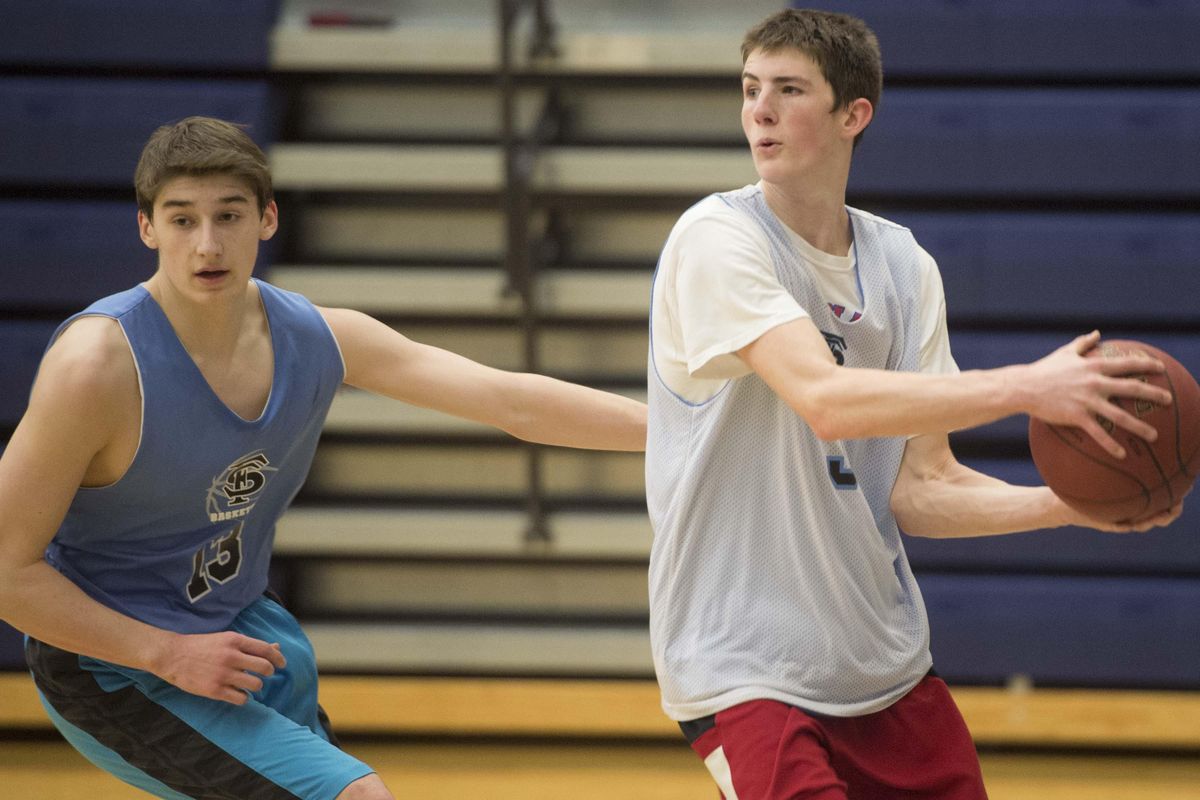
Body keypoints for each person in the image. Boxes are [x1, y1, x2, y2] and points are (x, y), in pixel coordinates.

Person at [0, 116, 646, 800]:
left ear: (268, 218)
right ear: (147, 229)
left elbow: (509, 400)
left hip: (241, 633)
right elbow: (7, 570)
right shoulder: (97, 366)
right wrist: (165, 653)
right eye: (182, 220)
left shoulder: (317, 336)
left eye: (229, 215)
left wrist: (675, 429)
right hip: (115, 663)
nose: (208, 244)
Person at [645, 8, 1182, 799]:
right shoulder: (717, 240)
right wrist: (1028, 387)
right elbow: (825, 398)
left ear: (852, 114)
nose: (758, 110)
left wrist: (1071, 505)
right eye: (751, 88)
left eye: (789, 90)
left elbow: (922, 487)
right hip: (745, 666)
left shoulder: (903, 263)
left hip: (883, 665)